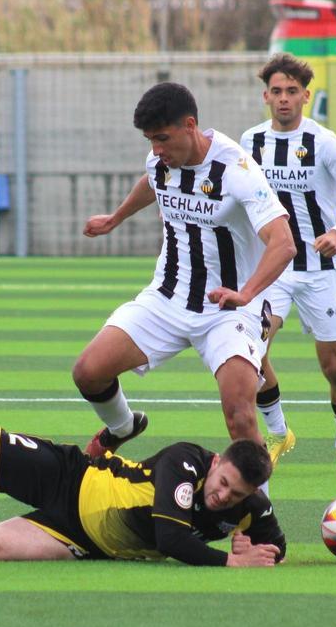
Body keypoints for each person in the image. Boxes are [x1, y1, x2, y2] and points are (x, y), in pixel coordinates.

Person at [73, 82, 295, 461]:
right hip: (167, 297)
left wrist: (246, 293)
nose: (156, 150)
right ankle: (124, 426)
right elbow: (152, 183)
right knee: (88, 371)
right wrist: (115, 218)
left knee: (240, 417)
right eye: (149, 141)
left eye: (162, 138)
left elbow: (284, 243)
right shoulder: (160, 161)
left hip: (229, 310)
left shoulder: (237, 170)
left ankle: (258, 519)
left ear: (190, 125)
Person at [0, 394, 286, 566]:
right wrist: (230, 563)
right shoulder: (186, 461)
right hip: (70, 475)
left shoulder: (250, 507)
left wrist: (257, 549)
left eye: (235, 495)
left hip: (79, 540)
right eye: (223, 481)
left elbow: (276, 543)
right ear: (219, 460)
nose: (223, 496)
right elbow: (171, 537)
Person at [240, 53, 336, 474]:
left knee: (334, 368)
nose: (284, 99)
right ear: (266, 96)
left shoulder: (325, 143)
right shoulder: (251, 143)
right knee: (251, 351)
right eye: (276, 92)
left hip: (321, 272)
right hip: (273, 270)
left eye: (292, 92)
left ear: (306, 97)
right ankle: (279, 432)